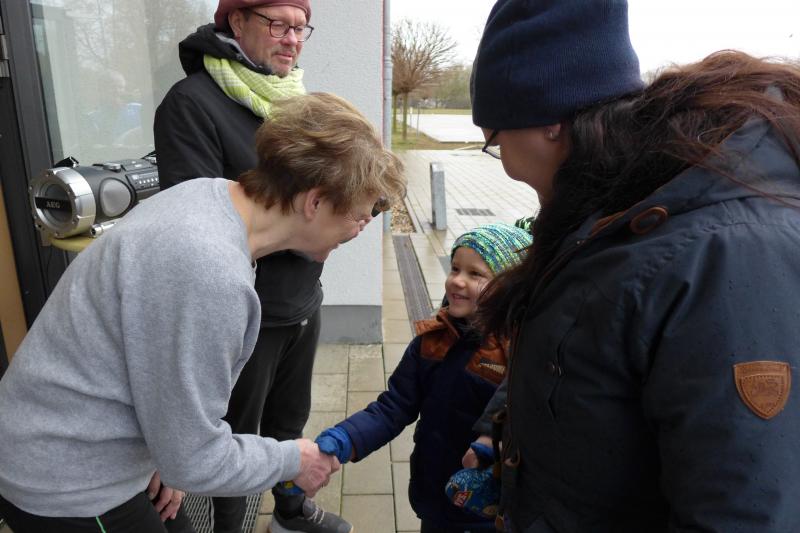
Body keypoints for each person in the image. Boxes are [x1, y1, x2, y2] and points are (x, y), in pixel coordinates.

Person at [0, 93, 406, 533]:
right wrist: (295, 459)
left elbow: (166, 402)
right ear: (315, 202)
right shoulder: (209, 270)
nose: (361, 227)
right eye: (359, 216)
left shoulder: (208, 196)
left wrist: (168, 454)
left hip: (89, 447)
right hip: (67, 481)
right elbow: (194, 460)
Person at [467, 1, 800, 531]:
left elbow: (742, 509)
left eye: (493, 138)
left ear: (549, 119)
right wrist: (502, 430)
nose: (502, 161)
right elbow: (575, 352)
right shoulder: (612, 209)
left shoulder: (725, 254)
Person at [153, 1, 354, 532]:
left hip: (302, 300)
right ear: (237, 22)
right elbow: (198, 226)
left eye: (301, 28)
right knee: (236, 436)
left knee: (289, 422)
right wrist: (311, 234)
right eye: (278, 24)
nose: (292, 39)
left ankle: (289, 511)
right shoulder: (192, 104)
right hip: (244, 313)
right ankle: (230, 525)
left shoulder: (297, 104)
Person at [315, 223, 533, 533]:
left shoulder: (518, 355)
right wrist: (346, 438)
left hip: (484, 513)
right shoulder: (431, 342)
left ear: (507, 287)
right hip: (432, 497)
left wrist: (493, 449)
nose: (457, 280)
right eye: (455, 268)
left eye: (475, 274)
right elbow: (393, 407)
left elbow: (527, 426)